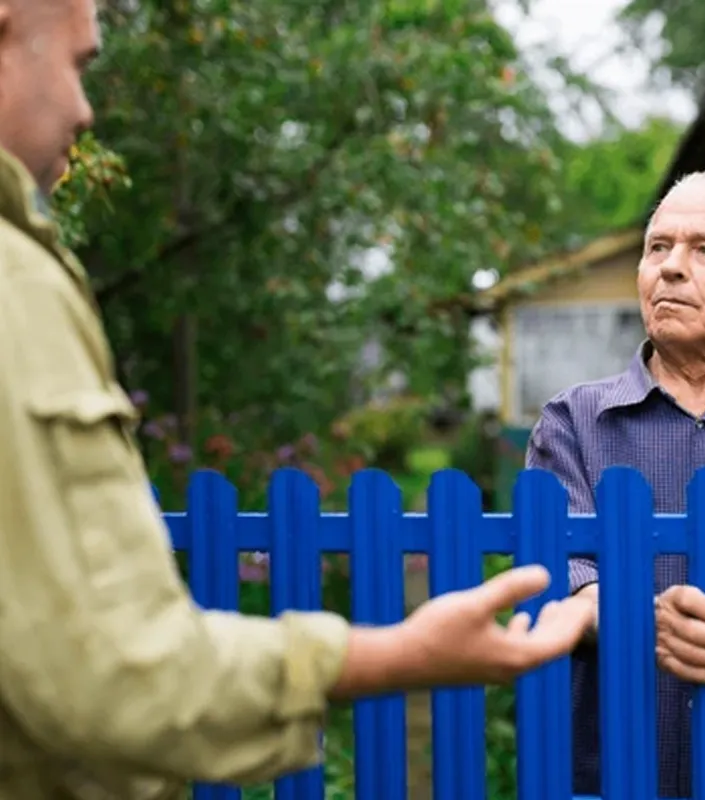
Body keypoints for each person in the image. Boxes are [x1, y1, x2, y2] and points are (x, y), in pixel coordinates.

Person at [0, 1, 596, 798]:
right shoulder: (15, 283)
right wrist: (403, 655)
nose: (86, 109)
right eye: (78, 64)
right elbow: (108, 677)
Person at [527, 167, 705, 797]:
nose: (671, 268)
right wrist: (636, 620)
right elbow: (562, 576)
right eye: (658, 247)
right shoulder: (573, 423)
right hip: (611, 772)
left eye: (703, 249)